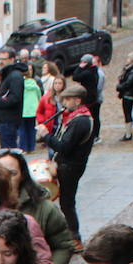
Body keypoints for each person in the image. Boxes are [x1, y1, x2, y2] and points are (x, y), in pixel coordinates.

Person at [0, 150, 76, 264]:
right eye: (0, 173)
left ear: (22, 175)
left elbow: (63, 245)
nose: (5, 179)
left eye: (12, 173)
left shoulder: (43, 208)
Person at [41, 86, 95, 249]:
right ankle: (68, 234)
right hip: (68, 165)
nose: (63, 103)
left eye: (67, 100)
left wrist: (46, 136)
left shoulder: (80, 121)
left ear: (77, 101)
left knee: (67, 202)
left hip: (70, 167)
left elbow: (64, 147)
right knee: (65, 201)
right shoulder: (77, 118)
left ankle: (75, 238)